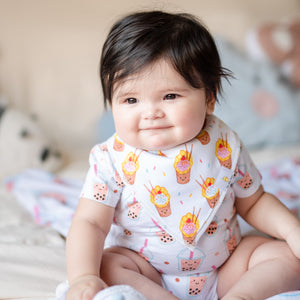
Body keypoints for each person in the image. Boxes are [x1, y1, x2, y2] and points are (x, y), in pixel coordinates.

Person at [65, 11, 300, 300]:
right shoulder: (110, 159)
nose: (151, 112)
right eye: (131, 100)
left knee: (284, 256)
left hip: (225, 269)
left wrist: (292, 232)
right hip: (148, 274)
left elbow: (255, 204)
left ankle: (241, 296)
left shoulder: (225, 145)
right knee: (109, 264)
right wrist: (83, 276)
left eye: (170, 96)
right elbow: (90, 222)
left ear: (210, 98)